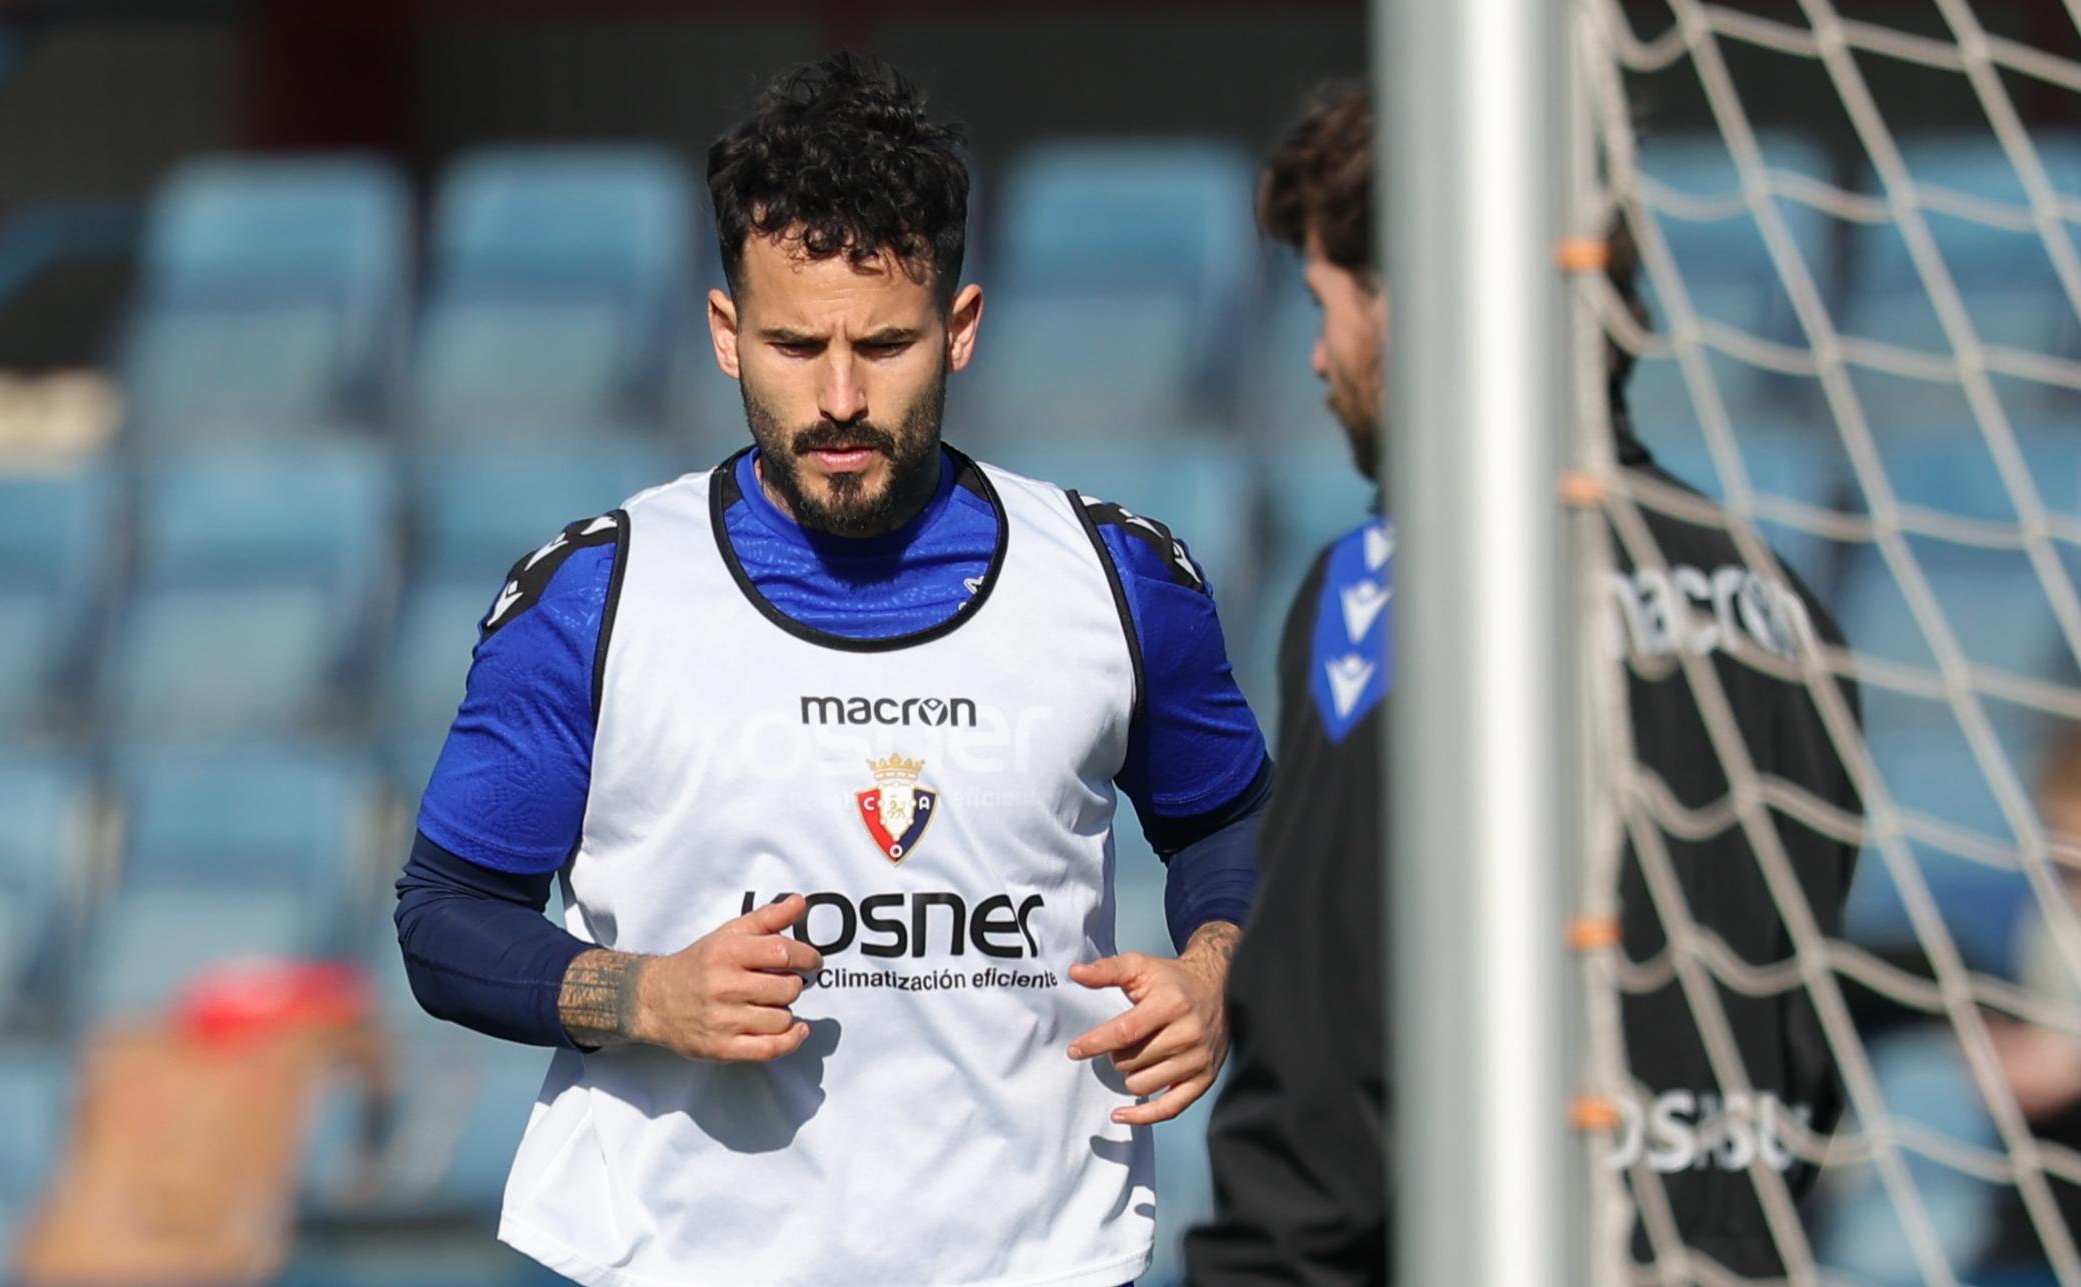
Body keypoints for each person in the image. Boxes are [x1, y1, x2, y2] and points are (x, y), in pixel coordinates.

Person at [392, 53, 1272, 1287]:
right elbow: (444, 922)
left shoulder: (1115, 579)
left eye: (887, 344)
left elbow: (1232, 824)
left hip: (1036, 1261)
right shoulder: (598, 595)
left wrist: (1213, 972)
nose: (841, 398)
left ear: (958, 330)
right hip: (680, 1261)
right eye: (795, 345)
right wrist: (640, 995)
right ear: (724, 332)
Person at [1184, 83, 1863, 1284]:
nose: (1315, 356)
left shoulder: (1397, 585)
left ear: (1416, 302)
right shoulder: (1777, 608)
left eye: (1325, 305)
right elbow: (1795, 1046)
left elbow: (1321, 1036)